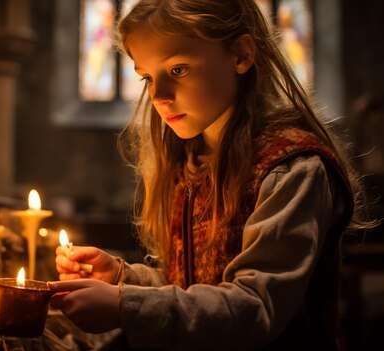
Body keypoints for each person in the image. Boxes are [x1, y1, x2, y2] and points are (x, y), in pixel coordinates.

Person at [47, 0, 374, 350]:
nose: (158, 96)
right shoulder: (190, 160)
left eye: (177, 70)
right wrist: (121, 277)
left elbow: (254, 308)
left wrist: (125, 305)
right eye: (146, 77)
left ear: (241, 55)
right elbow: (193, 290)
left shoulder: (291, 169)